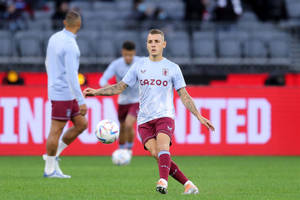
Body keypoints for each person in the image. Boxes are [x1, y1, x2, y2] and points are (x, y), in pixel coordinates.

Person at [83, 29, 215, 194]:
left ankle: (163, 181)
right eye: (150, 42)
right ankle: (188, 184)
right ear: (147, 44)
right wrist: (96, 92)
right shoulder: (139, 66)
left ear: (163, 44)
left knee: (163, 146)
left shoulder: (172, 68)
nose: (153, 45)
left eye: (157, 41)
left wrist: (198, 115)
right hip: (144, 120)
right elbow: (119, 87)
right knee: (157, 153)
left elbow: (184, 96)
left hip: (164, 116)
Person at [44, 10, 87, 178]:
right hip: (63, 92)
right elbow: (72, 75)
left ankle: (55, 154)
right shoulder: (71, 46)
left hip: (62, 90)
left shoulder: (54, 38)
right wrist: (81, 100)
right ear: (79, 24)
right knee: (56, 130)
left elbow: (47, 62)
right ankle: (49, 168)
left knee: (81, 124)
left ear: (64, 22)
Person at [99, 41, 140, 155]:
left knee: (128, 124)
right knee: (122, 127)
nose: (128, 58)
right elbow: (102, 80)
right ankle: (121, 151)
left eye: (130, 55)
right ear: (122, 53)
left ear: (134, 53)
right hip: (123, 100)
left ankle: (129, 150)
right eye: (126, 55)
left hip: (137, 99)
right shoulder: (116, 64)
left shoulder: (141, 62)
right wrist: (107, 87)